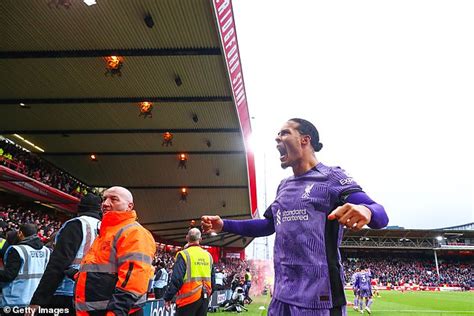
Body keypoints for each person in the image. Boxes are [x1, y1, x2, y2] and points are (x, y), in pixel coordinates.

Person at [202, 118, 389, 316]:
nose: (277, 138)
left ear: (304, 140)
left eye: (284, 133)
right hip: (281, 297)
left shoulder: (331, 177)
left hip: (319, 299)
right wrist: (224, 224)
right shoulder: (284, 186)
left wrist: (367, 211)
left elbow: (380, 214)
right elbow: (267, 225)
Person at [74, 186, 156, 316]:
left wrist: (116, 312)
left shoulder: (134, 232)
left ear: (129, 206)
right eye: (104, 199)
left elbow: (134, 279)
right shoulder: (107, 232)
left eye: (114, 199)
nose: (105, 203)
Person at [27, 193, 102, 316]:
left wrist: (38, 300)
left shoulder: (77, 224)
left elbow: (58, 264)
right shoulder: (104, 227)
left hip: (66, 292)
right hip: (93, 293)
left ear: (80, 208)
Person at [163, 228, 215, 316]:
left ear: (187, 238)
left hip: (187, 299)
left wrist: (168, 297)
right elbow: (213, 280)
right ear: (200, 239)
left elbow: (177, 279)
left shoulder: (183, 254)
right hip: (204, 298)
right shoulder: (208, 256)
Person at [0, 224, 51, 307]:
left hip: (14, 300)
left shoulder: (17, 250)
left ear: (20, 233)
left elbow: (8, 275)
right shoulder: (45, 250)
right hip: (34, 300)